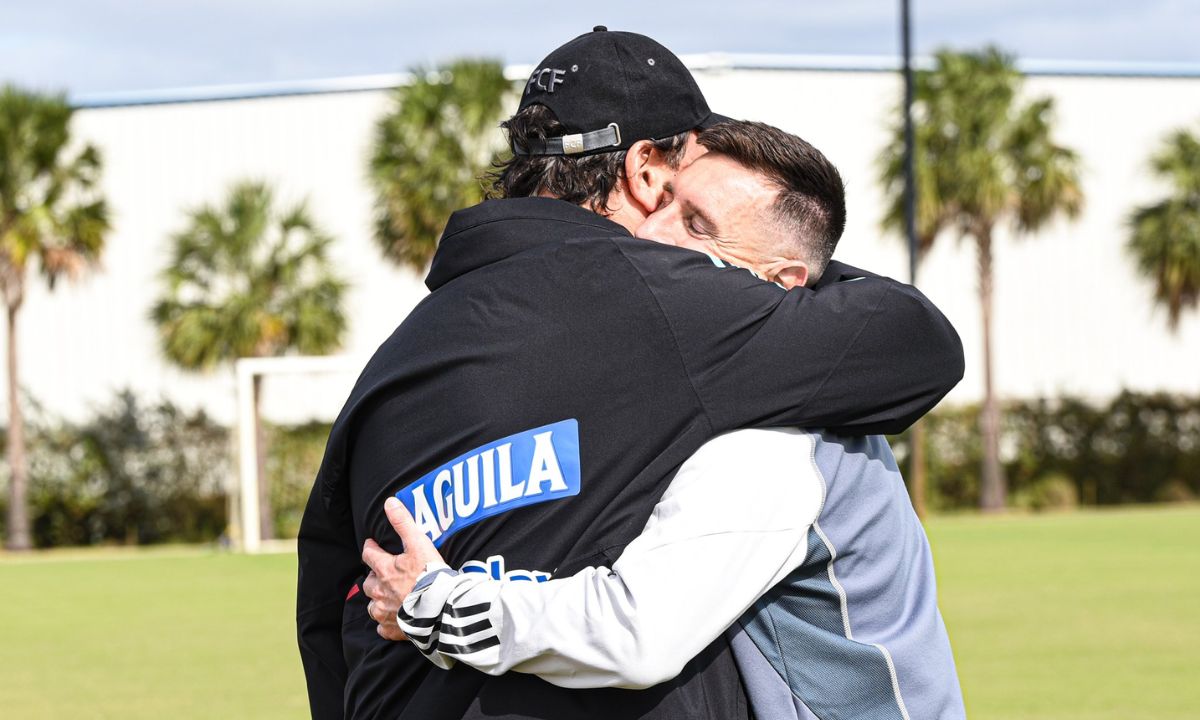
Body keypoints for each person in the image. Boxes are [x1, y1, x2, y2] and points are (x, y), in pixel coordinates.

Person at [296, 27, 964, 720]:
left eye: (699, 223)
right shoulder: (694, 322)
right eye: (677, 197)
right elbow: (920, 340)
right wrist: (775, 276)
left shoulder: (391, 360)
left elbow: (326, 607)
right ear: (646, 170)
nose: (670, 236)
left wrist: (434, 602)